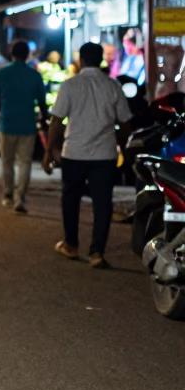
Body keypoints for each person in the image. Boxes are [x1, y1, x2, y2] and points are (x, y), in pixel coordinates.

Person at [44, 42, 133, 269]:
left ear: (81, 60)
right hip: (104, 154)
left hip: (74, 152)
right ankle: (97, 253)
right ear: (101, 59)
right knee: (103, 203)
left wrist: (48, 151)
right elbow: (125, 124)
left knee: (70, 199)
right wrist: (124, 149)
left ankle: (71, 245)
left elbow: (56, 121)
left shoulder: (70, 85)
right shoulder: (112, 86)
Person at [0, 40, 48, 213]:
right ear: (27, 55)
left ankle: (8, 194)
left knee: (7, 162)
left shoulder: (1, 73)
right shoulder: (34, 75)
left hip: (6, 124)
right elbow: (42, 103)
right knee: (25, 162)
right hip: (28, 126)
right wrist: (45, 120)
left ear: (11, 54)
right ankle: (21, 198)